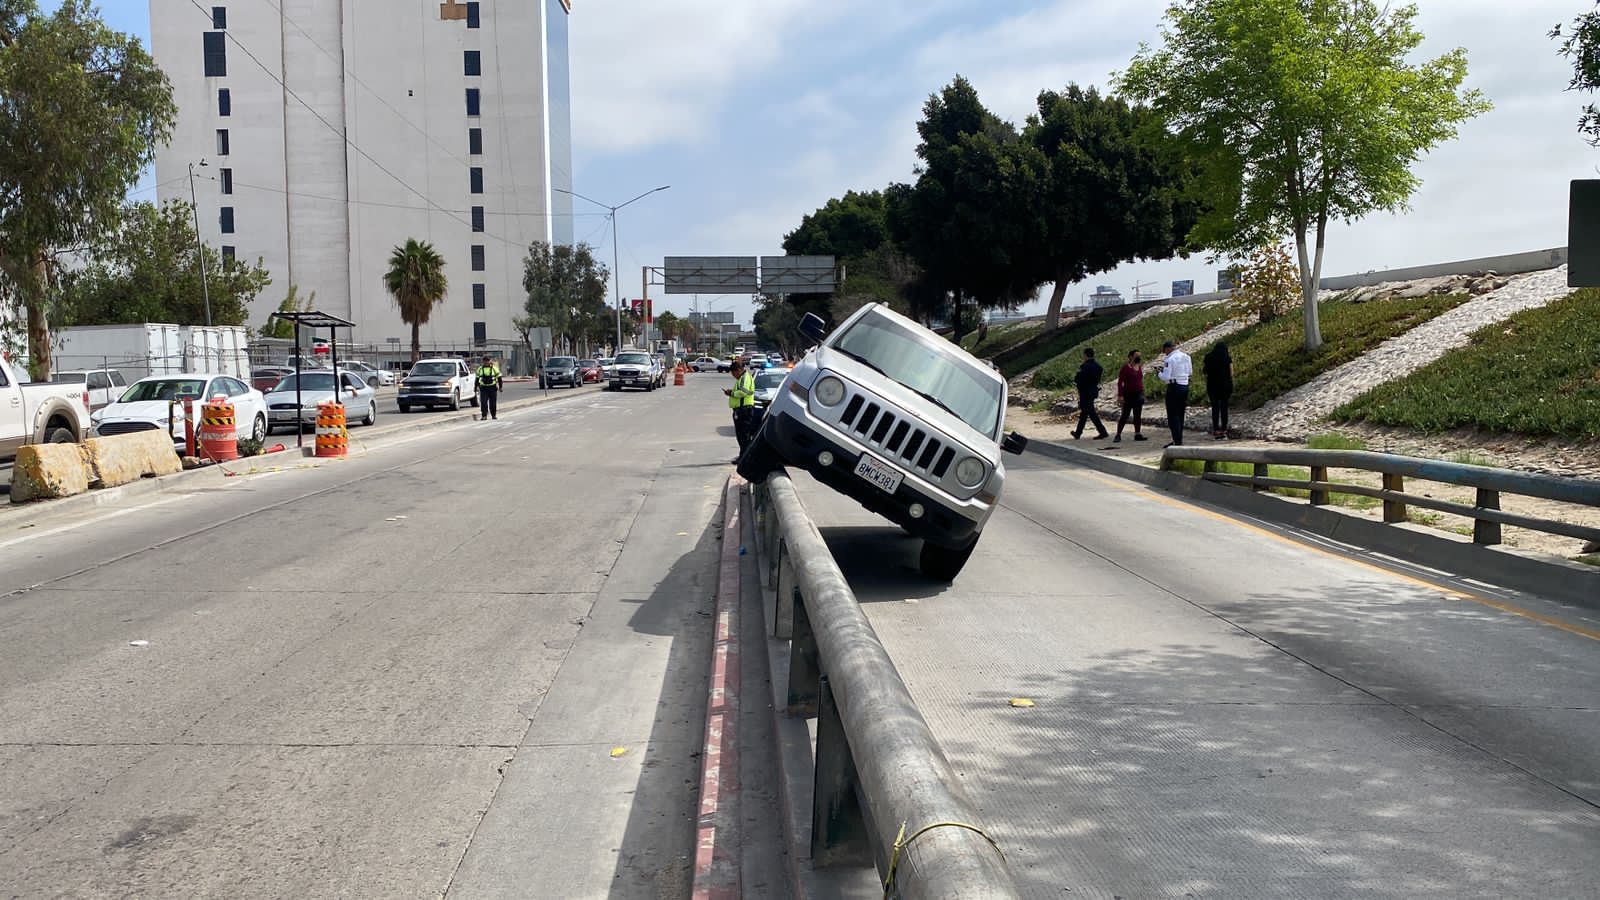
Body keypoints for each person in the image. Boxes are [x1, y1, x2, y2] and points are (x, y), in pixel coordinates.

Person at [1156, 339, 1192, 447]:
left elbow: (1166, 377)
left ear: (1168, 348)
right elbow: (1190, 372)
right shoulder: (1186, 356)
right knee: (1180, 413)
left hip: (1173, 386)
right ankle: (1178, 439)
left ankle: (1177, 441)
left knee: (1173, 415)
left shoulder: (1169, 359)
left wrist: (1159, 373)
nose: (1165, 353)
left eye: (1165, 350)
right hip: (1184, 385)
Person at [1071, 347, 1109, 440]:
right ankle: (1078, 433)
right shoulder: (1097, 366)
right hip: (1093, 390)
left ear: (1085, 355)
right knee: (1085, 412)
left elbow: (1077, 379)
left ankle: (1102, 431)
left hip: (1085, 392)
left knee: (1090, 412)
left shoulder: (1084, 366)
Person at [724, 358, 757, 460]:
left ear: (738, 370)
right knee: (742, 435)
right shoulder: (743, 378)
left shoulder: (744, 378)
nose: (734, 376)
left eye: (733, 373)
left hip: (744, 410)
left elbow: (744, 392)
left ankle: (745, 458)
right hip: (742, 409)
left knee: (743, 436)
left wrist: (732, 393)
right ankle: (744, 456)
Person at [1114, 349, 1148, 444]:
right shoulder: (1125, 368)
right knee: (1125, 415)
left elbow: (1140, 380)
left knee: (1137, 415)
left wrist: (1143, 392)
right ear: (1130, 357)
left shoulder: (1139, 367)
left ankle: (1137, 433)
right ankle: (1118, 434)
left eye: (1139, 356)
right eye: (1136, 356)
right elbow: (1120, 382)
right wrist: (1120, 395)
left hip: (1138, 394)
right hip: (1128, 394)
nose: (1138, 358)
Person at [1203, 341, 1234, 439]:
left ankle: (1216, 429)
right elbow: (1231, 372)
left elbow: (1205, 371)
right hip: (1225, 385)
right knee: (1224, 407)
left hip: (1212, 385)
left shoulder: (1208, 357)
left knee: (1215, 407)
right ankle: (1224, 429)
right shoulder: (1227, 358)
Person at [476, 355, 502, 421]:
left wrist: (500, 387)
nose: (486, 362)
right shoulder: (480, 369)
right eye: (485, 361)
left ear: (490, 361)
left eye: (487, 361)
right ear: (483, 362)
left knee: (493, 403)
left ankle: (493, 415)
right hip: (483, 388)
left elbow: (499, 378)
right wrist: (475, 387)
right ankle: (484, 415)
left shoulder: (494, 368)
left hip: (492, 388)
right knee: (483, 402)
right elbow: (477, 379)